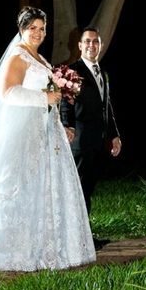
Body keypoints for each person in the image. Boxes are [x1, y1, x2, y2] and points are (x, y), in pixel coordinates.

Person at [0, 7, 95, 272]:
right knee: (21, 189)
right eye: (32, 27)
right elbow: (8, 92)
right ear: (21, 29)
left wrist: (60, 120)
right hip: (25, 134)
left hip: (48, 132)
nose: (38, 33)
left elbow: (50, 95)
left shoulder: (42, 60)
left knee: (47, 188)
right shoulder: (18, 56)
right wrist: (43, 98)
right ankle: (15, 253)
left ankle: (53, 249)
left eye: (42, 28)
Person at [60, 27, 122, 215]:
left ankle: (84, 231)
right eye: (87, 41)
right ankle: (78, 232)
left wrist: (114, 135)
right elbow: (65, 103)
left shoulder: (102, 72)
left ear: (100, 46)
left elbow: (106, 105)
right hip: (80, 141)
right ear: (80, 45)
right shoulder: (72, 71)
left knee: (87, 189)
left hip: (97, 142)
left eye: (96, 41)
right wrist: (67, 126)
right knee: (78, 191)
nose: (91, 45)